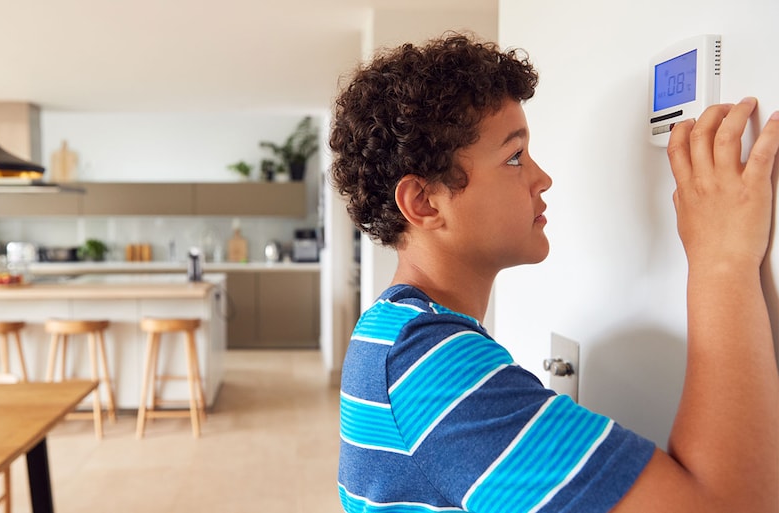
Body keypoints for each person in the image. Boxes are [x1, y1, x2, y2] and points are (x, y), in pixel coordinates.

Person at [329, 33, 779, 513]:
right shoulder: (426, 365)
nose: (541, 178)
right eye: (514, 156)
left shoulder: (390, 333)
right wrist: (721, 260)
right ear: (423, 202)